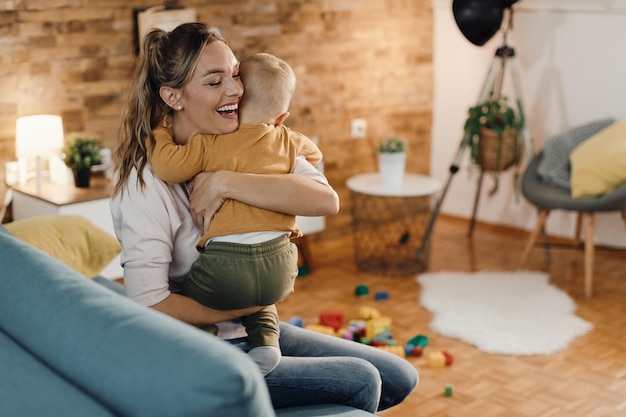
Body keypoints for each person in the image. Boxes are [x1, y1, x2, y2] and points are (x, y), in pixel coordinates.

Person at [111, 22, 418, 414]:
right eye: (214, 81)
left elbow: (326, 199)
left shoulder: (256, 136)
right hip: (206, 347)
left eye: (235, 73)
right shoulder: (145, 186)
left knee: (400, 376)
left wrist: (226, 182)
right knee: (363, 379)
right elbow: (146, 303)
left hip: (252, 331)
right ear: (173, 97)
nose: (236, 89)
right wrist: (236, 311)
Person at [147, 52, 325, 376]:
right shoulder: (287, 139)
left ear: (234, 105)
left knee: (193, 299)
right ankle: (267, 343)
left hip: (226, 265)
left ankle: (205, 347)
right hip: (283, 266)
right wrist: (280, 140)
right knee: (262, 304)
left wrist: (159, 133)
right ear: (282, 116)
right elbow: (315, 154)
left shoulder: (210, 142)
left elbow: (167, 166)